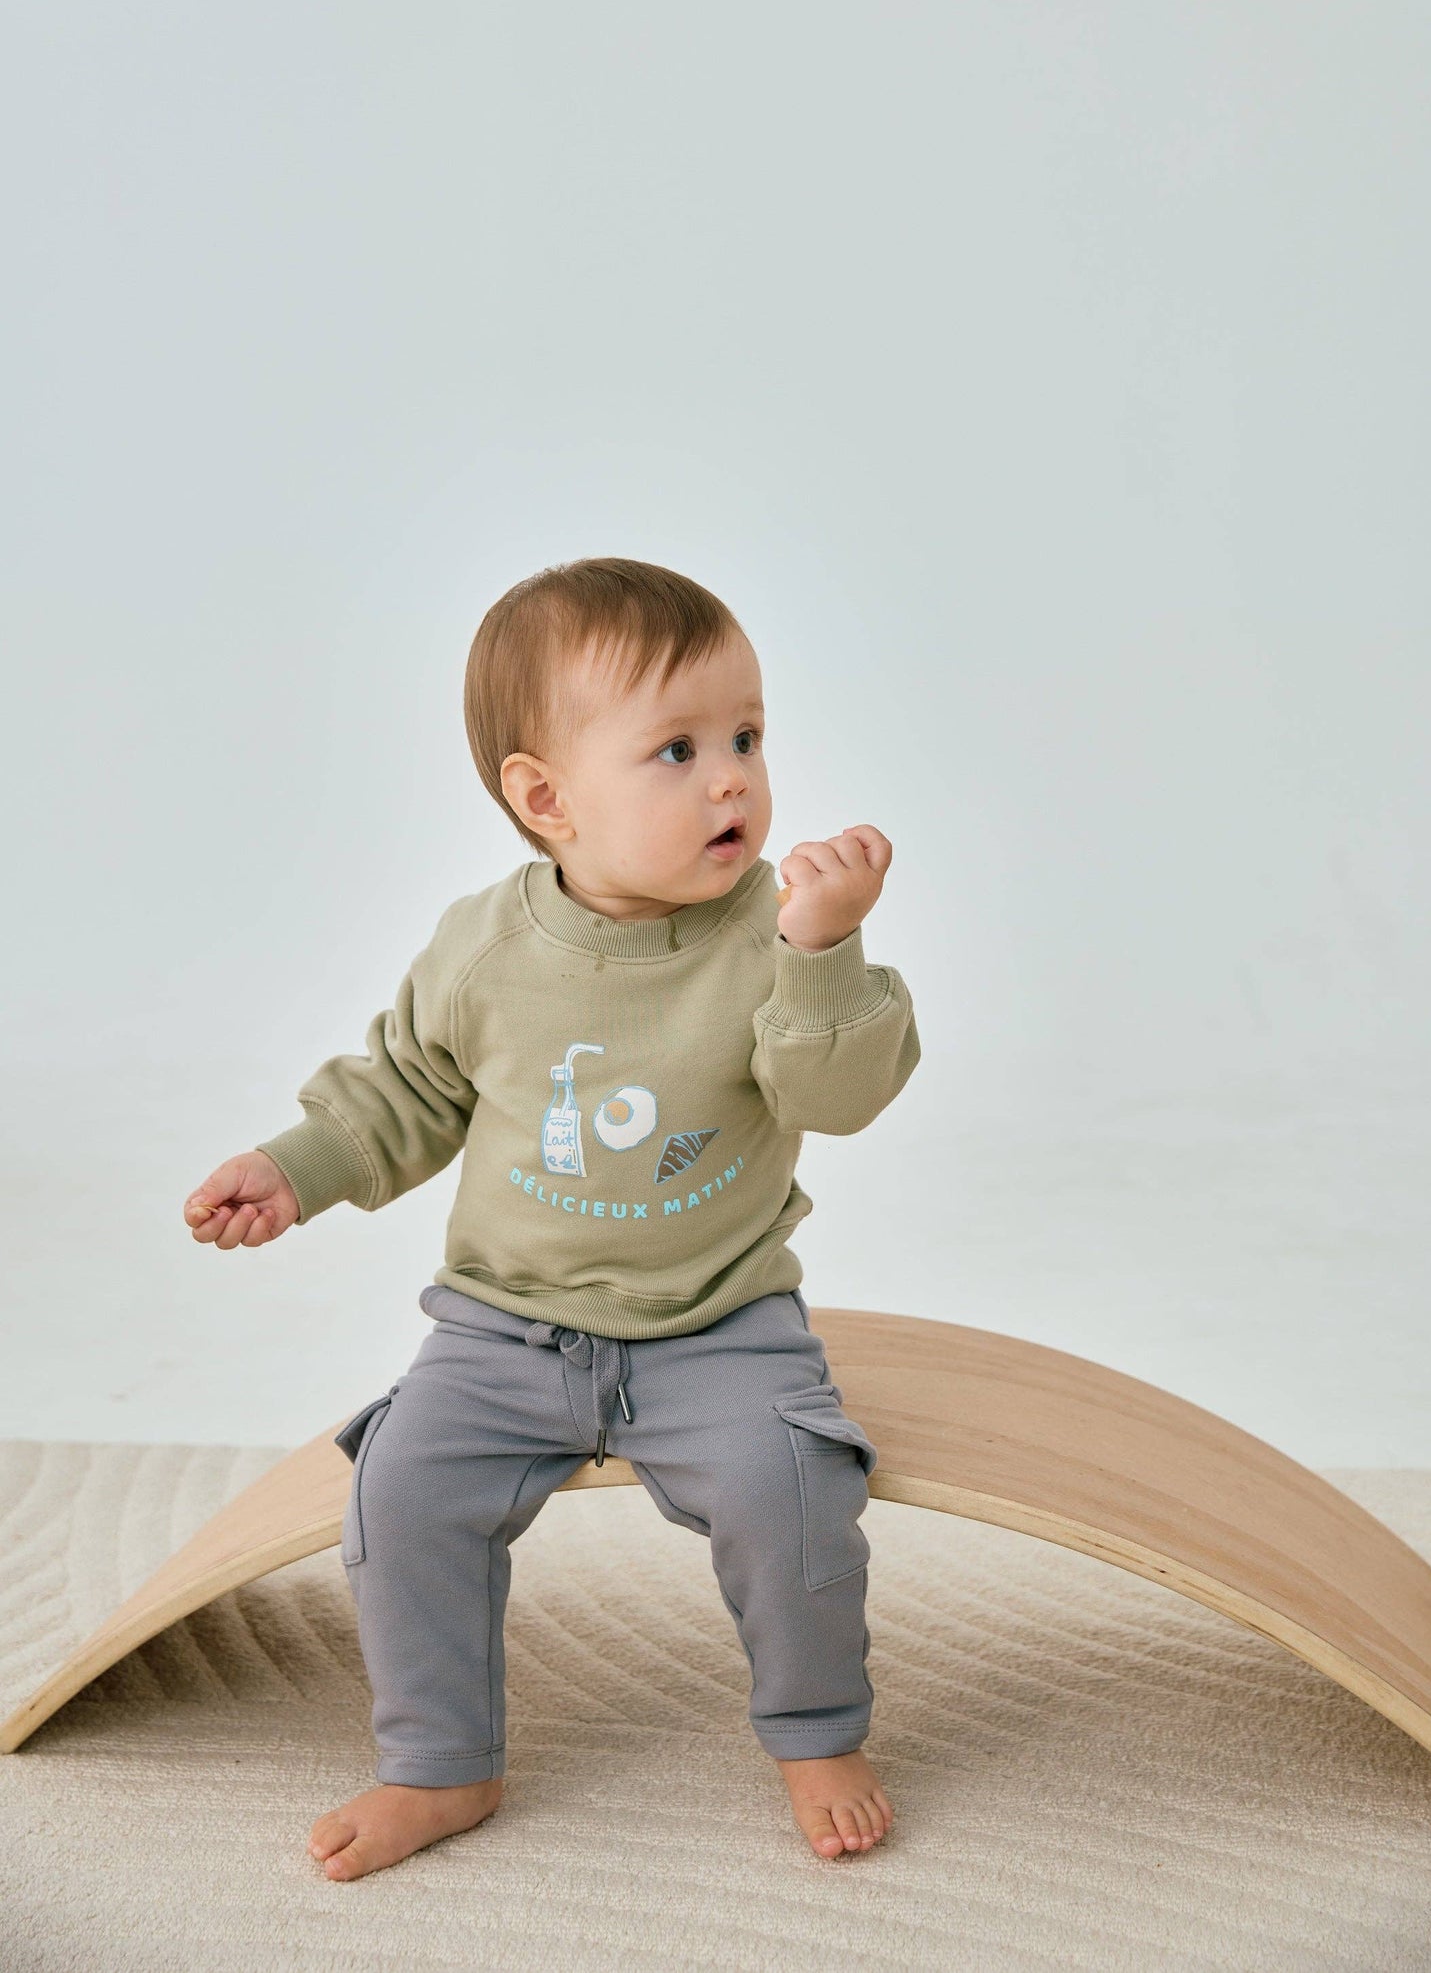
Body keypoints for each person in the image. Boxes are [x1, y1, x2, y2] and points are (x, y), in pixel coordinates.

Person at [183, 556, 921, 1879]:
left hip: (718, 1323)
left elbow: (842, 1089)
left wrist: (825, 951)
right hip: (503, 1330)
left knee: (792, 1489)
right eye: (678, 748)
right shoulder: (484, 947)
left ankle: (815, 1731)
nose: (732, 777)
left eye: (747, 736)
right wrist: (294, 1166)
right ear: (545, 797)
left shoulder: (778, 934)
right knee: (397, 1490)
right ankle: (439, 1761)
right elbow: (406, 1088)